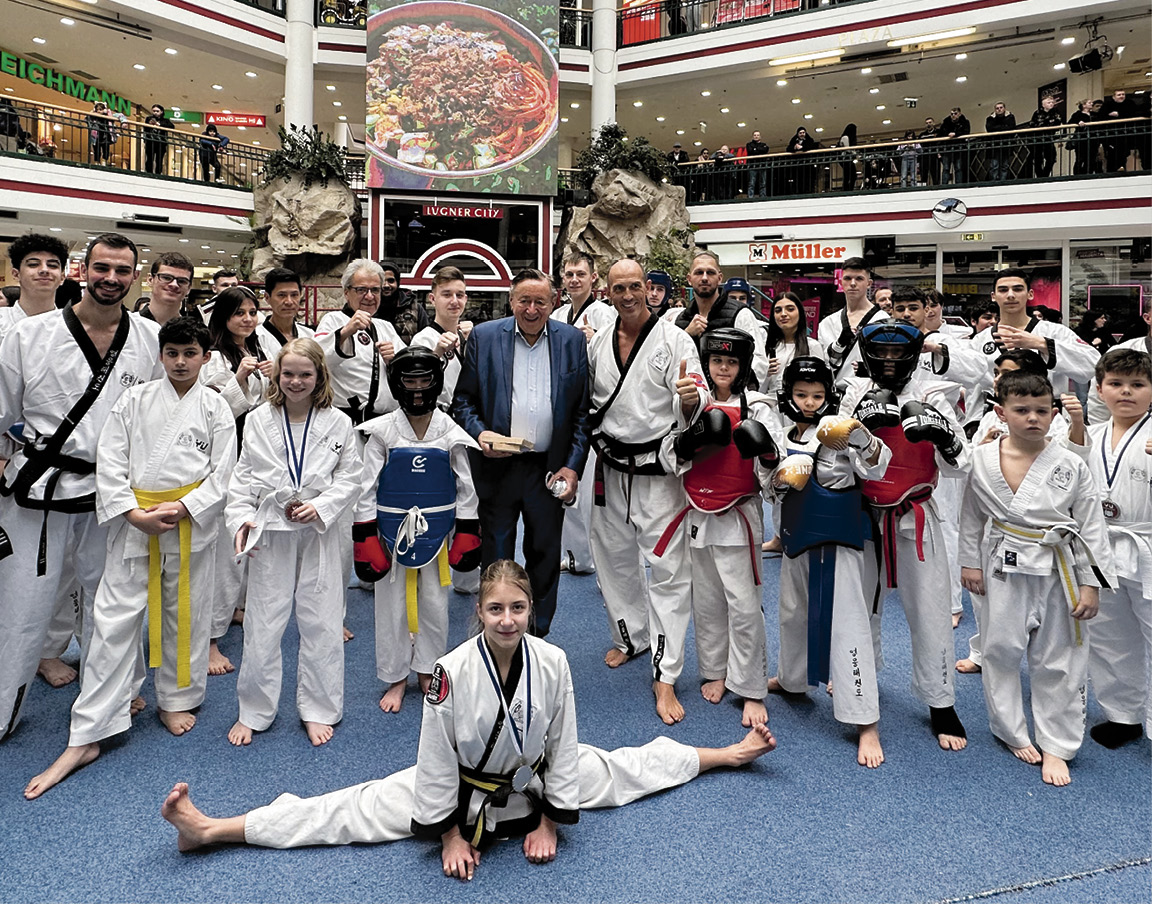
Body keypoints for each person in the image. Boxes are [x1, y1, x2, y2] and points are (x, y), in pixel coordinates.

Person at [158, 560, 777, 874]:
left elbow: (563, 746)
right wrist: (449, 831)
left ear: (531, 609)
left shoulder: (554, 661)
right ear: (478, 612)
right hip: (461, 788)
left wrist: (553, 824)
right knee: (345, 809)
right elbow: (434, 757)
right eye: (494, 609)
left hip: (536, 782)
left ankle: (729, 753)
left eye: (518, 608)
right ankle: (213, 829)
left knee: (631, 769)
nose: (507, 619)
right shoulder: (451, 669)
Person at [24, 317, 236, 799]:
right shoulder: (134, 400)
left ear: (206, 357)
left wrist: (187, 506)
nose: (181, 362)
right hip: (135, 520)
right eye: (173, 353)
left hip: (187, 522)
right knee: (114, 618)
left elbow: (224, 473)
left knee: (185, 613)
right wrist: (131, 511)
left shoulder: (216, 407)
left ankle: (176, 699)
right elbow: (111, 460)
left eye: (190, 354)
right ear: (160, 355)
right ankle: (92, 727)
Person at [0, 233, 163, 739]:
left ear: (135, 276)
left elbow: (156, 417)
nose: (111, 279)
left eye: (122, 270)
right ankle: (4, 710)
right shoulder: (30, 335)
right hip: (41, 487)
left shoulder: (149, 339)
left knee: (112, 604)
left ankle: (110, 705)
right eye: (102, 268)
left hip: (113, 492)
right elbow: (1, 413)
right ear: (82, 270)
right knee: (23, 605)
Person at [959, 371, 1112, 786]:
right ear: (1000, 412)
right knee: (1000, 649)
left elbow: (1091, 524)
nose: (1033, 418)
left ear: (1053, 413)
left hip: (1057, 565)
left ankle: (1058, 745)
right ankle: (1010, 730)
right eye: (1021, 410)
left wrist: (1090, 582)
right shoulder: (982, 459)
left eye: (1042, 410)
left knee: (1058, 658)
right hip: (1002, 563)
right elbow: (971, 515)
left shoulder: (1069, 462)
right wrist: (968, 562)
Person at [587, 259, 707, 725]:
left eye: (636, 285)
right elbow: (591, 403)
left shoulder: (675, 340)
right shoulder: (598, 343)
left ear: (651, 289)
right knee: (612, 559)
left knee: (668, 572)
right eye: (619, 287)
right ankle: (632, 637)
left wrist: (690, 398)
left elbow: (694, 392)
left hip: (658, 473)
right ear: (609, 293)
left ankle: (666, 673)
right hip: (611, 469)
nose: (629, 294)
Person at [841, 321, 970, 752]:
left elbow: (960, 465)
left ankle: (940, 701)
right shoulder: (851, 392)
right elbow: (834, 456)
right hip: (862, 514)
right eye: (885, 354)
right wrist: (858, 428)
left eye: (900, 355)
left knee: (931, 608)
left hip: (916, 514)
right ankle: (861, 683)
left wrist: (943, 434)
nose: (892, 363)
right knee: (859, 605)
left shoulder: (934, 394)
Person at [226, 338, 362, 747]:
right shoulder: (257, 419)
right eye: (288, 373)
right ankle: (253, 709)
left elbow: (350, 476)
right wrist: (241, 519)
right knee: (263, 623)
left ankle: (319, 708)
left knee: (321, 621)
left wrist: (321, 505)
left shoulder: (338, 421)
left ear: (320, 375)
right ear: (276, 375)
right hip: (272, 531)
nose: (296, 381)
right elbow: (243, 476)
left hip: (318, 533)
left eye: (305, 374)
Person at [451, 269, 590, 638]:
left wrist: (572, 467)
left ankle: (536, 633)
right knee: (496, 553)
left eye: (540, 301)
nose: (531, 309)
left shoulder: (572, 341)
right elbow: (462, 401)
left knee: (544, 554)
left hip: (548, 468)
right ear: (511, 301)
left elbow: (581, 412)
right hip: (497, 467)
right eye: (524, 300)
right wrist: (480, 435)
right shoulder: (484, 337)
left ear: (553, 302)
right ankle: (496, 630)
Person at [768, 356, 890, 766]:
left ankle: (865, 721)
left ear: (829, 396)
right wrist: (779, 479)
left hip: (839, 536)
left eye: (817, 395)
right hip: (797, 536)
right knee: (791, 612)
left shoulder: (841, 429)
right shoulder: (783, 432)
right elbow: (767, 490)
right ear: (789, 395)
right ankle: (793, 679)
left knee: (848, 622)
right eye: (801, 394)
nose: (809, 402)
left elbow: (876, 468)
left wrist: (858, 437)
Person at [656, 328, 781, 727]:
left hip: (738, 516)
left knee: (744, 606)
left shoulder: (759, 406)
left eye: (731, 362)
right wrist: (687, 438)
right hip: (698, 512)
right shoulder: (693, 403)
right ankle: (716, 670)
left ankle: (751, 687)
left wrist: (765, 451)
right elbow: (667, 453)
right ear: (706, 364)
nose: (723, 368)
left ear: (743, 367)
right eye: (716, 361)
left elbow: (773, 472)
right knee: (706, 601)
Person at [353, 347, 481, 712]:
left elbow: (465, 485)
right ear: (397, 384)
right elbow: (366, 487)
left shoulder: (449, 429)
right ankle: (395, 676)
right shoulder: (381, 430)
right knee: (390, 605)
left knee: (435, 603)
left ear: (436, 381)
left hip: (436, 529)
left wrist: (467, 530)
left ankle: (427, 668)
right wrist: (364, 536)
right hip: (389, 529)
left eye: (425, 380)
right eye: (410, 380)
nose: (418, 388)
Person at [1, 234, 77, 690]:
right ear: (16, 273)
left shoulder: (70, 328)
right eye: (33, 263)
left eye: (53, 264)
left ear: (65, 274)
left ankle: (47, 651)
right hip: (5, 454)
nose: (44, 271)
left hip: (46, 463)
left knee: (52, 566)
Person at [1083, 349, 1152, 749]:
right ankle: (1122, 715)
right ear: (1100, 389)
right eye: (1116, 384)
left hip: (1146, 544)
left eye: (1138, 385)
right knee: (1109, 635)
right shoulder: (1088, 436)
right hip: (1102, 545)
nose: (1126, 392)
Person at [202, 286, 270, 674]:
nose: (247, 319)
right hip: (226, 460)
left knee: (250, 541)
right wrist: (239, 380)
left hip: (254, 458)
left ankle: (235, 608)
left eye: (251, 311)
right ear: (224, 318)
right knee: (227, 551)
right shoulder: (213, 357)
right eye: (239, 313)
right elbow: (212, 412)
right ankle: (210, 637)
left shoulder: (255, 349)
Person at [550, 253, 612, 576]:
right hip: (563, 406)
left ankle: (591, 557)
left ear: (594, 278)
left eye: (580, 274)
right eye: (569, 274)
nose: (574, 279)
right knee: (566, 485)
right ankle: (573, 553)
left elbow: (614, 356)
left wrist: (593, 340)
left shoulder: (604, 314)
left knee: (588, 489)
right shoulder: (558, 313)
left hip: (590, 408)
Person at [971, 269, 1100, 398]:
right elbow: (973, 388)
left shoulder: (1055, 332)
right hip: (995, 412)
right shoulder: (980, 340)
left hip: (1046, 411)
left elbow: (1093, 365)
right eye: (1003, 290)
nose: (1010, 295)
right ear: (993, 296)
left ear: (1030, 294)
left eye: (1018, 289)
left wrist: (1043, 344)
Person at [314, 259, 406, 426]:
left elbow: (408, 370)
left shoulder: (385, 327)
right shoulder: (333, 320)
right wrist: (345, 332)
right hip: (346, 420)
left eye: (375, 290)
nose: (369, 296)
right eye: (361, 290)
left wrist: (393, 360)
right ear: (346, 292)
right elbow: (315, 362)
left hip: (386, 421)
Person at [671, 251, 769, 391]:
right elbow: (672, 362)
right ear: (689, 279)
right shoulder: (680, 320)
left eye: (710, 273)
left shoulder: (740, 314)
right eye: (699, 272)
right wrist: (687, 335)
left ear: (720, 278)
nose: (704, 278)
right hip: (691, 400)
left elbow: (758, 363)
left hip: (731, 402)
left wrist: (733, 394)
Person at [816, 256, 888, 384]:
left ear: (869, 283)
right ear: (841, 282)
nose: (853, 283)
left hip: (871, 391)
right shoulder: (828, 323)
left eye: (859, 278)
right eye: (848, 278)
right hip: (836, 393)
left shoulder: (882, 320)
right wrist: (839, 344)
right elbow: (825, 363)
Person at [764, 291, 826, 397]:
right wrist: (765, 372)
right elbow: (758, 388)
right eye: (778, 310)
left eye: (790, 309)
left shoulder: (812, 346)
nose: (783, 314)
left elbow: (821, 385)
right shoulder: (766, 347)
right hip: (770, 406)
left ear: (800, 313)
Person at [256, 267, 314, 360]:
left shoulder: (309, 334)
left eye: (294, 295)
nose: (289, 301)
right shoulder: (257, 336)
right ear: (267, 297)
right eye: (281, 295)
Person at [377, 262, 428, 347]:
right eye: (381, 280)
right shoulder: (369, 307)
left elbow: (426, 337)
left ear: (397, 282)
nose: (386, 285)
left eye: (391, 280)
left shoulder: (415, 308)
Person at [138, 253, 195, 325]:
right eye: (166, 278)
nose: (174, 284)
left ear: (189, 288)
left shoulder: (194, 332)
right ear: (150, 280)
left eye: (182, 281)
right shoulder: (129, 325)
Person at [1099, 88, 1138, 172]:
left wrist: (1119, 114)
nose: (1121, 96)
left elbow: (1134, 113)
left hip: (1125, 133)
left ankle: (1122, 169)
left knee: (1124, 154)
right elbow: (1102, 116)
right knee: (1111, 154)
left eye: (1123, 94)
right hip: (1111, 135)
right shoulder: (1107, 105)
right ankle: (1111, 172)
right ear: (1114, 97)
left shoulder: (1130, 103)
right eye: (1119, 95)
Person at [1027, 95, 1064, 178]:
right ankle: (1040, 176)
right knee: (1037, 159)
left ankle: (1045, 175)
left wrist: (1045, 125)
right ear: (1043, 104)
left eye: (1052, 102)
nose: (1051, 104)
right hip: (1038, 139)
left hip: (1049, 138)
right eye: (1049, 102)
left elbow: (1058, 122)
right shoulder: (1037, 113)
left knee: (1051, 158)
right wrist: (1046, 124)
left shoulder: (1056, 112)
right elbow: (1032, 124)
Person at [1066, 99, 1101, 176]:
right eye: (1089, 103)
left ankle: (1088, 173)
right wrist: (1078, 122)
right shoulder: (1078, 114)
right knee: (1080, 158)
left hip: (1093, 139)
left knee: (1092, 158)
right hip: (1081, 139)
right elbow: (1070, 122)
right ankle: (1077, 175)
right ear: (1084, 105)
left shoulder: (1094, 114)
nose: (1091, 104)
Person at [984, 102, 1017, 181]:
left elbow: (1011, 128)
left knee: (1004, 165)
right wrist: (1004, 127)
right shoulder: (990, 118)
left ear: (1004, 108)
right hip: (994, 145)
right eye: (997, 108)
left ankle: (1003, 182)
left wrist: (997, 128)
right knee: (994, 165)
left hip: (1006, 145)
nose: (999, 109)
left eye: (1001, 107)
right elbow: (990, 129)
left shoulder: (1010, 117)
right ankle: (993, 182)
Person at [940, 107, 971, 185]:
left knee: (958, 168)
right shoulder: (946, 122)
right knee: (946, 168)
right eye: (951, 114)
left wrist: (956, 134)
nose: (953, 115)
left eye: (955, 113)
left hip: (959, 148)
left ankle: (959, 185)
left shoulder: (965, 122)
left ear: (959, 114)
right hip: (947, 148)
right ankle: (944, 185)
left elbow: (966, 132)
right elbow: (942, 133)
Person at [143, 104, 175, 176]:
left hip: (161, 143)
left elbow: (172, 127)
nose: (155, 113)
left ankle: (158, 173)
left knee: (159, 159)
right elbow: (145, 129)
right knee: (149, 159)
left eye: (157, 111)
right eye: (154, 111)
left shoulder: (165, 121)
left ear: (161, 112)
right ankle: (149, 173)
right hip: (150, 142)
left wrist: (159, 125)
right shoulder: (148, 118)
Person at [785, 128, 818, 194]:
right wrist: (795, 147)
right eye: (800, 133)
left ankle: (809, 191)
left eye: (803, 133)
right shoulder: (794, 140)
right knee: (798, 179)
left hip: (807, 164)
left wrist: (802, 147)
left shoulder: (809, 140)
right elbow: (788, 148)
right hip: (797, 165)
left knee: (808, 179)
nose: (802, 134)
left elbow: (810, 146)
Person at [745, 130, 770, 199]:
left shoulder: (764, 144)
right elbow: (750, 151)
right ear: (753, 137)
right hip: (752, 165)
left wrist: (755, 149)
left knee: (763, 183)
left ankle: (763, 196)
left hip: (762, 165)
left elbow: (765, 150)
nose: (756, 136)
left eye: (757, 135)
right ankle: (750, 196)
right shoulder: (749, 144)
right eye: (755, 135)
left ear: (760, 137)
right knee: (751, 183)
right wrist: (758, 150)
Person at [919, 116, 942, 185]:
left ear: (933, 123)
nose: (928, 124)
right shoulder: (922, 135)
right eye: (926, 123)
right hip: (925, 156)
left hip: (934, 156)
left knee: (935, 175)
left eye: (930, 122)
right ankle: (923, 190)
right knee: (923, 175)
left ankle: (936, 189)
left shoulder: (938, 132)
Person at [837, 123, 858, 191]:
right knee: (850, 174)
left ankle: (847, 188)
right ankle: (847, 189)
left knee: (849, 174)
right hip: (845, 159)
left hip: (846, 159)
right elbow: (847, 149)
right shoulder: (845, 137)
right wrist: (854, 153)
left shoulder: (846, 137)